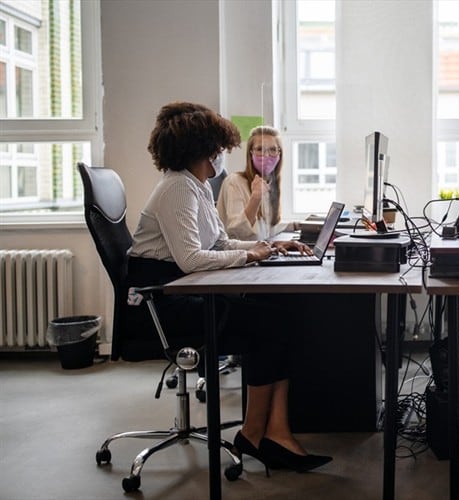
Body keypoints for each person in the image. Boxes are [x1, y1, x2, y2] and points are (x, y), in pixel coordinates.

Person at [126, 101, 332, 473]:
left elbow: (219, 244)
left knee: (278, 316)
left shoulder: (198, 186)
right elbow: (191, 258)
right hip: (162, 306)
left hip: (185, 291)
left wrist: (268, 248)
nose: (222, 154)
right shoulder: (176, 189)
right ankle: (258, 435)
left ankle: (274, 432)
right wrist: (251, 256)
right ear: (201, 148)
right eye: (218, 147)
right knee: (271, 324)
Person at [217, 126, 294, 240]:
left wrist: (298, 226)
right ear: (251, 153)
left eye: (273, 150)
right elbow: (237, 233)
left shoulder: (270, 184)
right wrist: (255, 197)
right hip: (240, 255)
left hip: (260, 252)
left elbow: (266, 230)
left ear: (279, 154)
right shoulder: (234, 182)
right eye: (259, 149)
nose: (266, 155)